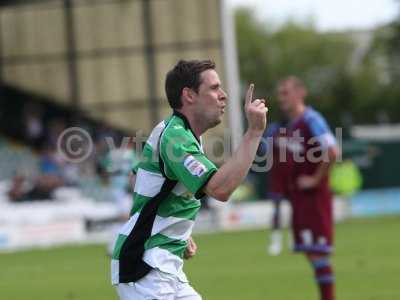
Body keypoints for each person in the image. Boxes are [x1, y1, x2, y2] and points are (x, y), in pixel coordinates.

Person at [111, 59, 268, 300]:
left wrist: (171, 227)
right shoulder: (175, 137)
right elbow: (220, 189)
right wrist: (254, 133)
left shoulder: (180, 132)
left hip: (164, 268)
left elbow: (138, 176)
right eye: (214, 88)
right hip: (145, 268)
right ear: (189, 95)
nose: (223, 95)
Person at [277, 76, 338, 300]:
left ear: (300, 93)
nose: (281, 98)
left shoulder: (311, 119)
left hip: (314, 199)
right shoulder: (291, 126)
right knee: (312, 254)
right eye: (280, 93)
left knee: (318, 254)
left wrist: (315, 179)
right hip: (299, 200)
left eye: (285, 92)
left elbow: (332, 151)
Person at [258, 119, 289, 255]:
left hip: (293, 175)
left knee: (298, 208)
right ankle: (276, 241)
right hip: (277, 176)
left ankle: (297, 239)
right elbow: (264, 149)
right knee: (277, 209)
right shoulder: (273, 129)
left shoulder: (297, 126)